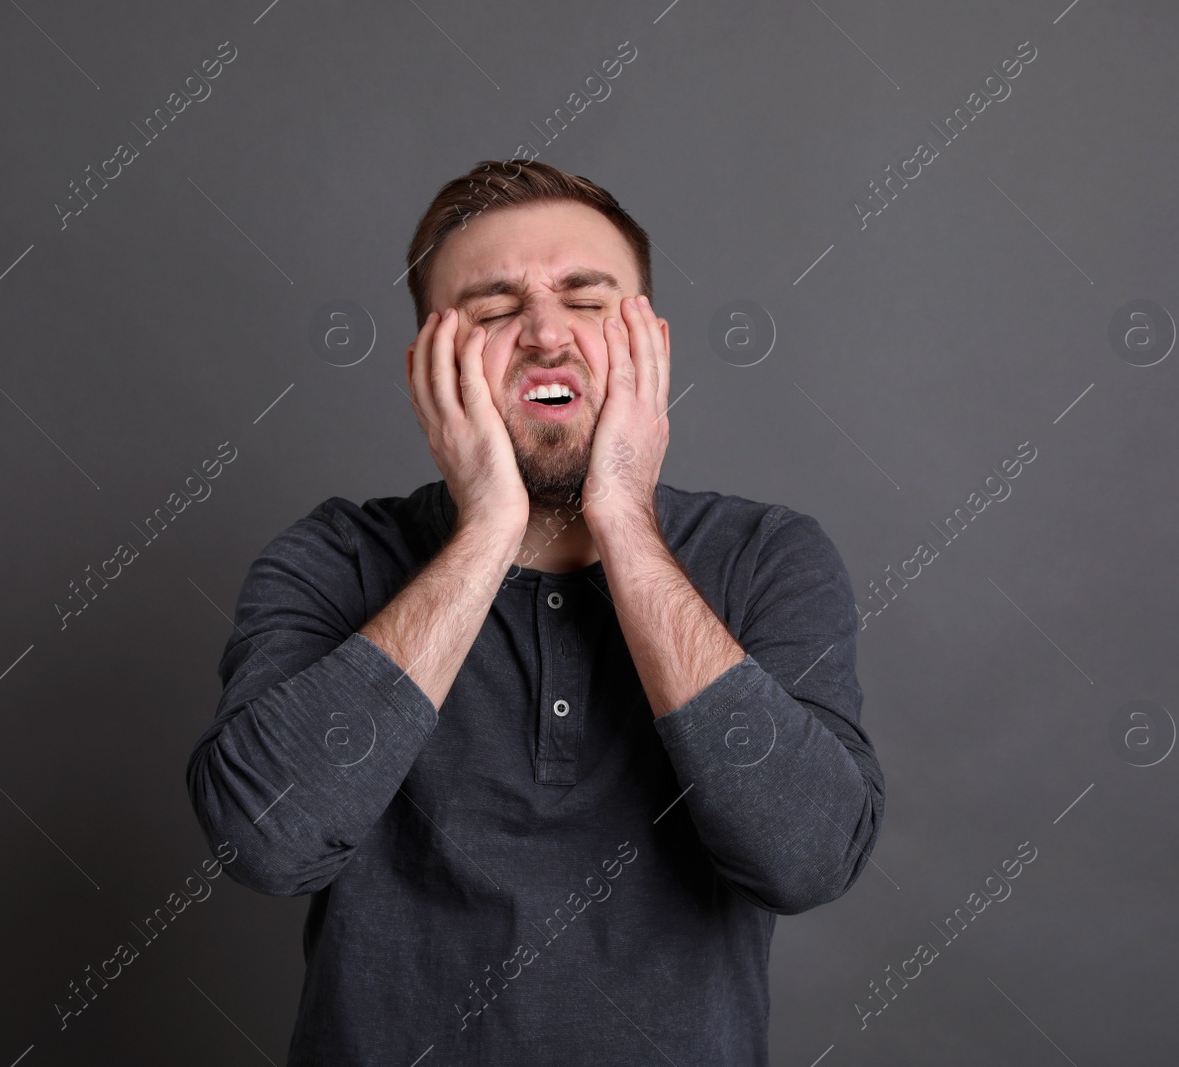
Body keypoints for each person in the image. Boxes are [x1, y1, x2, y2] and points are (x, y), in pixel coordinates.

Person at [185, 159, 885, 1065]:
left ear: (652, 348)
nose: (545, 333)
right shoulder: (333, 558)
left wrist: (625, 519)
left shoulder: (766, 556)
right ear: (425, 367)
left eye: (587, 301)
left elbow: (810, 855)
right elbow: (265, 843)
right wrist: (487, 531)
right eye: (490, 309)